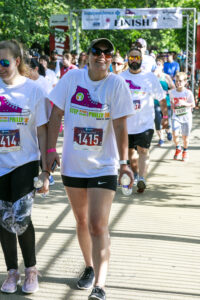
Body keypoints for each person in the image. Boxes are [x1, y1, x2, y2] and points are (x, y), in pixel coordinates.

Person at [46, 38, 134, 300]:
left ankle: (100, 285)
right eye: (97, 51)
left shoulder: (116, 84)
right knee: (82, 221)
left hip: (103, 166)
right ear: (88, 55)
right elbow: (55, 115)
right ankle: (89, 265)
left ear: (112, 58)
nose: (102, 57)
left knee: (98, 224)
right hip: (74, 165)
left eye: (108, 53)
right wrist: (50, 152)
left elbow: (120, 127)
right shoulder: (72, 79)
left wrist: (124, 164)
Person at [0, 40, 51, 294]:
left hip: (24, 161)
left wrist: (45, 170)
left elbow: (42, 132)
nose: (0, 67)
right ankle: (11, 273)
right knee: (4, 219)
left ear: (16, 62)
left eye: (4, 62)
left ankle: (31, 270)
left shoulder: (33, 91)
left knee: (20, 218)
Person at [120, 46, 168, 193]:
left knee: (143, 150)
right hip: (126, 124)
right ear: (128, 60)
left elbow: (161, 98)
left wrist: (165, 117)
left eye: (137, 57)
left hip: (145, 123)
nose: (135, 60)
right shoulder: (120, 78)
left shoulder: (150, 77)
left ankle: (141, 178)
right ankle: (136, 173)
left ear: (141, 59)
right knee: (130, 155)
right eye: (132, 57)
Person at [170, 72, 195, 161]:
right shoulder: (172, 92)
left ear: (185, 82)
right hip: (176, 116)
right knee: (175, 134)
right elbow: (172, 102)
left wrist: (184, 103)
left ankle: (185, 151)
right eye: (176, 81)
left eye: (180, 81)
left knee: (185, 137)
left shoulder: (188, 93)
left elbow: (193, 104)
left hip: (186, 117)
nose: (178, 83)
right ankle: (178, 148)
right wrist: (173, 105)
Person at [154, 57, 175, 146]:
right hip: (155, 103)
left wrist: (166, 92)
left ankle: (168, 131)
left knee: (166, 120)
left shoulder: (166, 76)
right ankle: (161, 138)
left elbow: (173, 88)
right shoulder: (152, 77)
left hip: (166, 103)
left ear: (162, 66)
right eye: (156, 64)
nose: (157, 66)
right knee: (158, 121)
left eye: (159, 64)